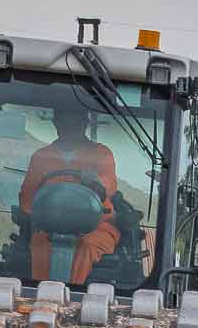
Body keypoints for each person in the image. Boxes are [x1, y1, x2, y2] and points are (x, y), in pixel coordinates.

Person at [19, 99, 121, 282]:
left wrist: (95, 183)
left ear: (85, 123)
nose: (70, 127)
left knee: (86, 246)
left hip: (95, 228)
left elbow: (108, 187)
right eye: (65, 121)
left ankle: (72, 299)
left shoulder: (101, 154)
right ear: (56, 123)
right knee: (40, 246)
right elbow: (27, 201)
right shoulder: (41, 157)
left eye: (76, 122)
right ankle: (41, 297)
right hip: (48, 228)